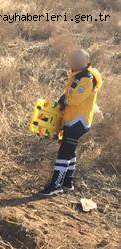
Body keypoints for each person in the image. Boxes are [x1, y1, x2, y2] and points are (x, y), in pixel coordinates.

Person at [39, 49, 103, 196]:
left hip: (77, 121)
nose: (73, 62)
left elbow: (74, 99)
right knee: (69, 149)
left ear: (86, 62)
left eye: (77, 59)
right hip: (74, 119)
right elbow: (71, 94)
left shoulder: (86, 77)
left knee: (64, 152)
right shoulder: (77, 74)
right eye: (72, 59)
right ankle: (68, 182)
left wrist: (64, 99)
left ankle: (56, 186)